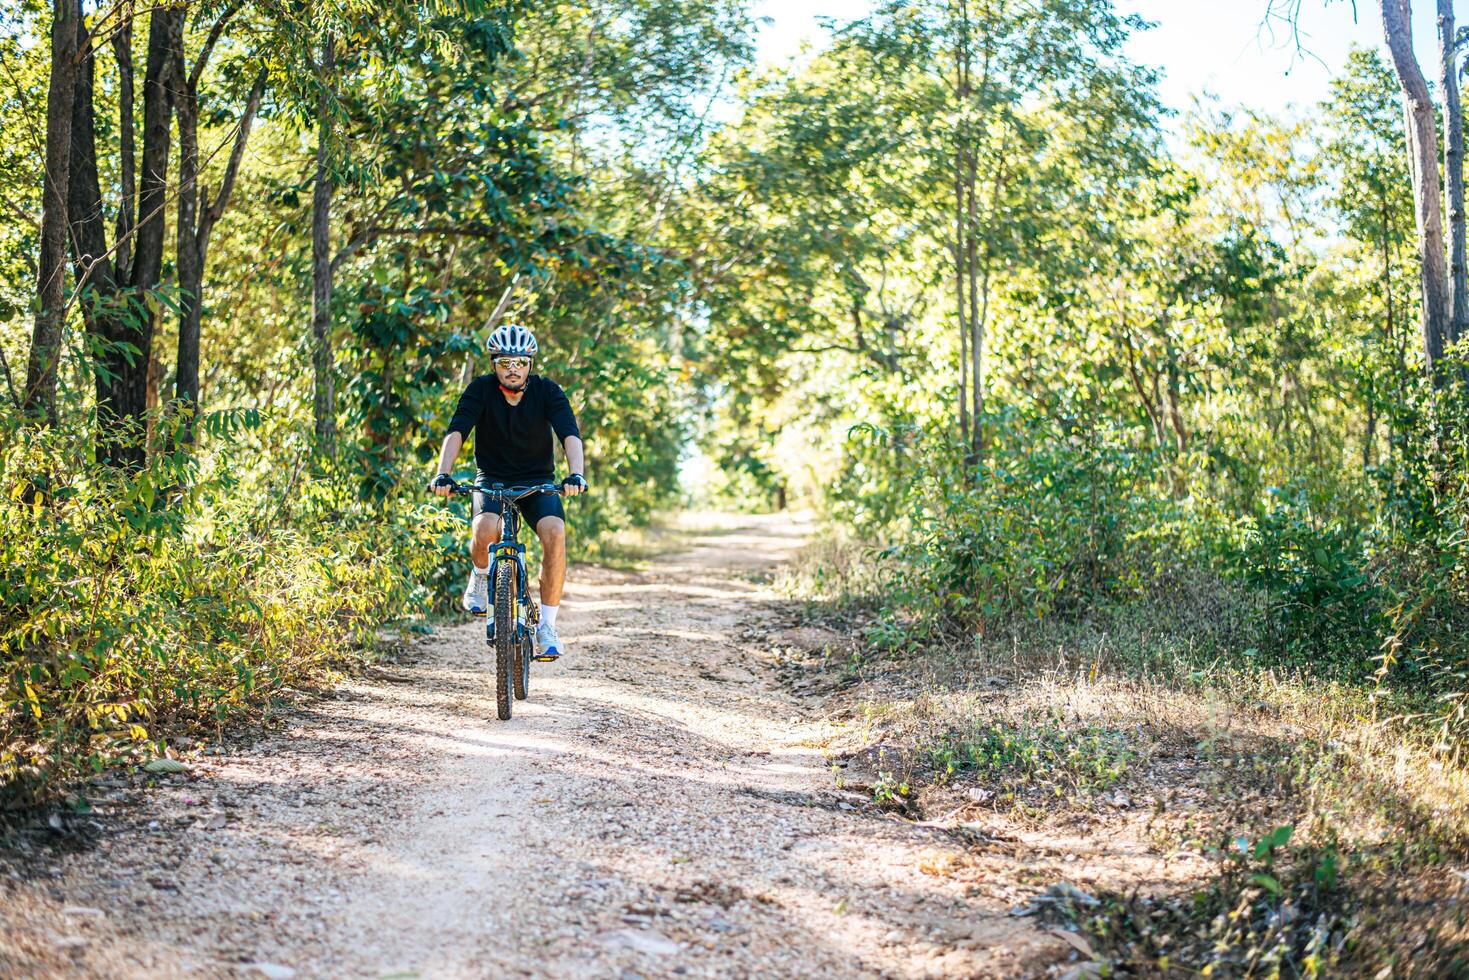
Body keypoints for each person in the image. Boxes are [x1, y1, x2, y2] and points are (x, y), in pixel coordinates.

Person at [428, 322, 587, 660]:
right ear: (493, 364)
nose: (512, 369)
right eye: (504, 363)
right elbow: (457, 431)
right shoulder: (480, 390)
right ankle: (482, 575)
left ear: (529, 364)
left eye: (519, 362)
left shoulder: (547, 391)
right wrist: (443, 473)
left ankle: (547, 626)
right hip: (492, 478)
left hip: (538, 481)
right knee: (485, 529)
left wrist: (576, 474)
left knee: (555, 532)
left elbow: (569, 434)